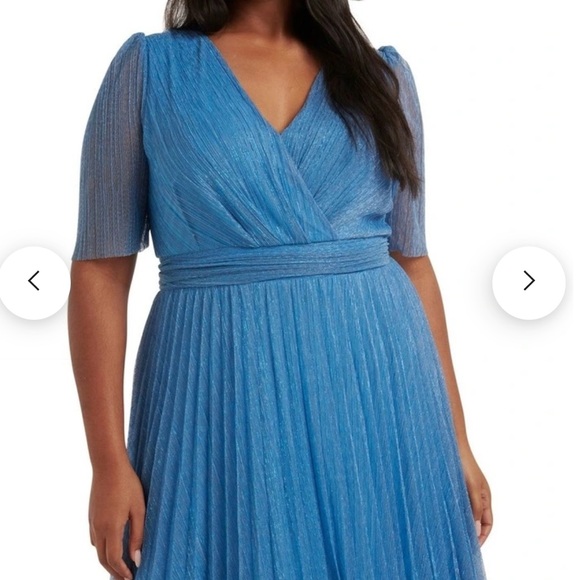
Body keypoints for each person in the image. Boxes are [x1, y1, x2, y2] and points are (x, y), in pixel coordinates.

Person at [68, 1, 493, 578]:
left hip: (380, 394)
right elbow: (99, 271)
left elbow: (412, 261)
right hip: (219, 392)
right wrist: (106, 462)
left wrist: (457, 441)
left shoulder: (382, 77)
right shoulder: (149, 72)